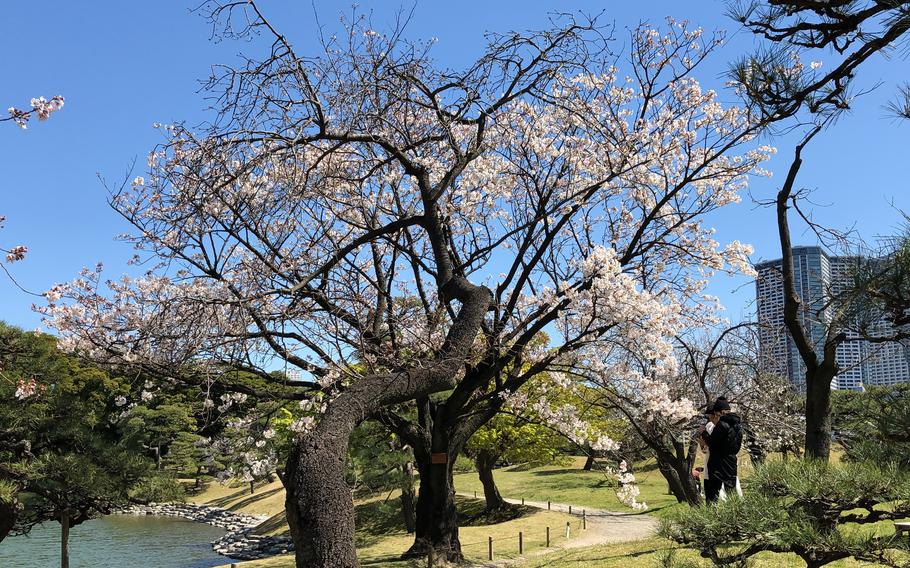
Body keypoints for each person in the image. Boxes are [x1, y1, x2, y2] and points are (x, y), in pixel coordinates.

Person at [699, 396, 743, 503]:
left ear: (720, 412)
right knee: (732, 493)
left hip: (717, 464)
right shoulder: (738, 426)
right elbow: (737, 446)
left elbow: (711, 442)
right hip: (731, 462)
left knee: (712, 495)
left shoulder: (722, 424)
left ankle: (712, 517)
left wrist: (703, 433)